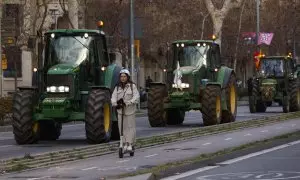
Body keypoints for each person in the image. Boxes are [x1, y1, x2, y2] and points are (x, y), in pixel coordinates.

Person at [111, 69, 140, 152]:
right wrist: (114, 103)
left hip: (130, 110)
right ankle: (123, 143)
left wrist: (130, 102)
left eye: (124, 76)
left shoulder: (132, 86)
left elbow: (136, 96)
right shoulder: (117, 87)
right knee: (121, 128)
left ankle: (130, 144)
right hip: (121, 111)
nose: (123, 78)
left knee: (130, 127)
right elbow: (113, 97)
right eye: (121, 76)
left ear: (127, 77)